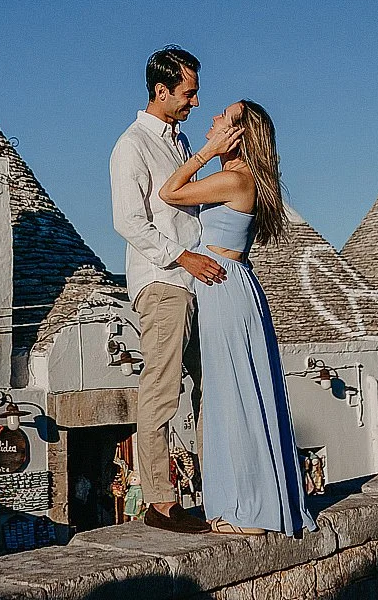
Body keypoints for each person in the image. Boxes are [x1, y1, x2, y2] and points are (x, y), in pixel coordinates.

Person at [159, 99, 317, 537]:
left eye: (222, 119)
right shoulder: (239, 179)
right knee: (234, 392)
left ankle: (252, 511)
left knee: (236, 394)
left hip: (226, 289)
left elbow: (169, 192)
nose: (211, 119)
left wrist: (205, 151)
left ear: (237, 134)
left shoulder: (233, 178)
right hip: (226, 286)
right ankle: (245, 502)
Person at [109, 46, 232, 534]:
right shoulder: (132, 145)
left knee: (212, 387)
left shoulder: (179, 146)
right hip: (163, 282)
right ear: (161, 91)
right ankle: (160, 502)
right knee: (161, 390)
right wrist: (183, 258)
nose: (195, 101)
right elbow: (128, 221)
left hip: (196, 281)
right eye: (189, 92)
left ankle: (218, 488)